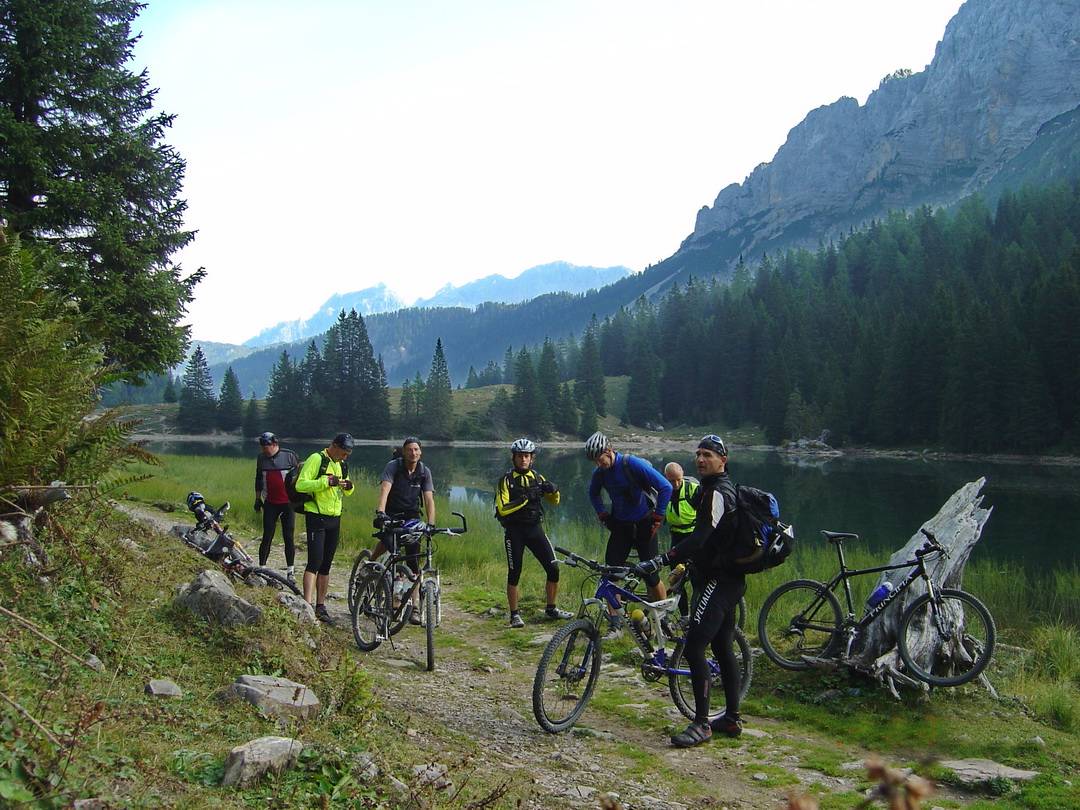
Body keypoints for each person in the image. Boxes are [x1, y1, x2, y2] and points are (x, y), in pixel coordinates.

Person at [635, 434, 745, 747]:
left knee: (695, 646)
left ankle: (701, 724)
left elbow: (700, 538)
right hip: (728, 579)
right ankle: (732, 719)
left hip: (719, 581)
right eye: (697, 454)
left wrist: (664, 557)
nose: (700, 459)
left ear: (723, 460)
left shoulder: (717, 493)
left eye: (708, 454)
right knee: (723, 646)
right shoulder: (714, 489)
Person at [584, 431, 672, 634]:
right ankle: (616, 624)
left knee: (651, 575)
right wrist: (602, 514)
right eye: (594, 461)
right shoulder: (600, 473)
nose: (598, 464)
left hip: (645, 524)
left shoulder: (631, 464)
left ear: (609, 450)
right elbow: (593, 493)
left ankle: (663, 617)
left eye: (600, 458)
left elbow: (665, 486)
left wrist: (659, 516)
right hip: (621, 526)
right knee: (611, 574)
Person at [495, 438, 573, 628]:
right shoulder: (506, 480)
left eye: (527, 456)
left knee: (553, 567)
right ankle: (514, 614)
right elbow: (502, 509)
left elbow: (554, 501)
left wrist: (553, 490)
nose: (523, 459)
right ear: (513, 458)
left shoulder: (538, 477)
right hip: (515, 532)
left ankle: (551, 608)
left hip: (534, 529)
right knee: (515, 572)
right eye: (520, 456)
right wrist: (526, 498)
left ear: (532, 459)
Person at [372, 437, 436, 623]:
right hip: (391, 512)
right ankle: (370, 564)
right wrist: (381, 512)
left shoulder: (424, 472)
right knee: (389, 544)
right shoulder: (394, 467)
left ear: (420, 452)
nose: (413, 453)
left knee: (413, 562)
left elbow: (429, 498)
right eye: (409, 450)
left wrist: (431, 524)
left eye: (416, 450)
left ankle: (414, 607)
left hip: (412, 516)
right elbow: (385, 489)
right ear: (404, 451)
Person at [295, 432, 355, 624]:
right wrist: (325, 482)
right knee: (315, 561)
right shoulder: (317, 459)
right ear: (334, 446)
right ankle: (307, 605)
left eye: (348, 454)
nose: (345, 457)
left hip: (334, 518)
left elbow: (348, 490)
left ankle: (321, 606)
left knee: (326, 564)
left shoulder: (341, 465)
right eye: (344, 453)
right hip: (316, 516)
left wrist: (348, 486)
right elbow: (301, 485)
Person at [253, 431, 300, 582]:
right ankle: (262, 567)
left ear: (275, 444)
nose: (264, 450)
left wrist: (300, 499)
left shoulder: (289, 456)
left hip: (288, 503)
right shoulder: (261, 458)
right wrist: (257, 498)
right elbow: (259, 478)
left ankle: (290, 571)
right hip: (270, 503)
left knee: (288, 537)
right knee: (267, 536)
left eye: (266, 447)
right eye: (262, 447)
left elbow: (300, 477)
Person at [664, 461, 699, 617]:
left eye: (679, 479)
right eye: (672, 480)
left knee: (697, 578)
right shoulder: (663, 491)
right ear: (666, 478)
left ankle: (699, 614)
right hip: (676, 538)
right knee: (676, 581)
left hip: (693, 537)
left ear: (683, 475)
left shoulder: (693, 490)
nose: (676, 483)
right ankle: (684, 616)